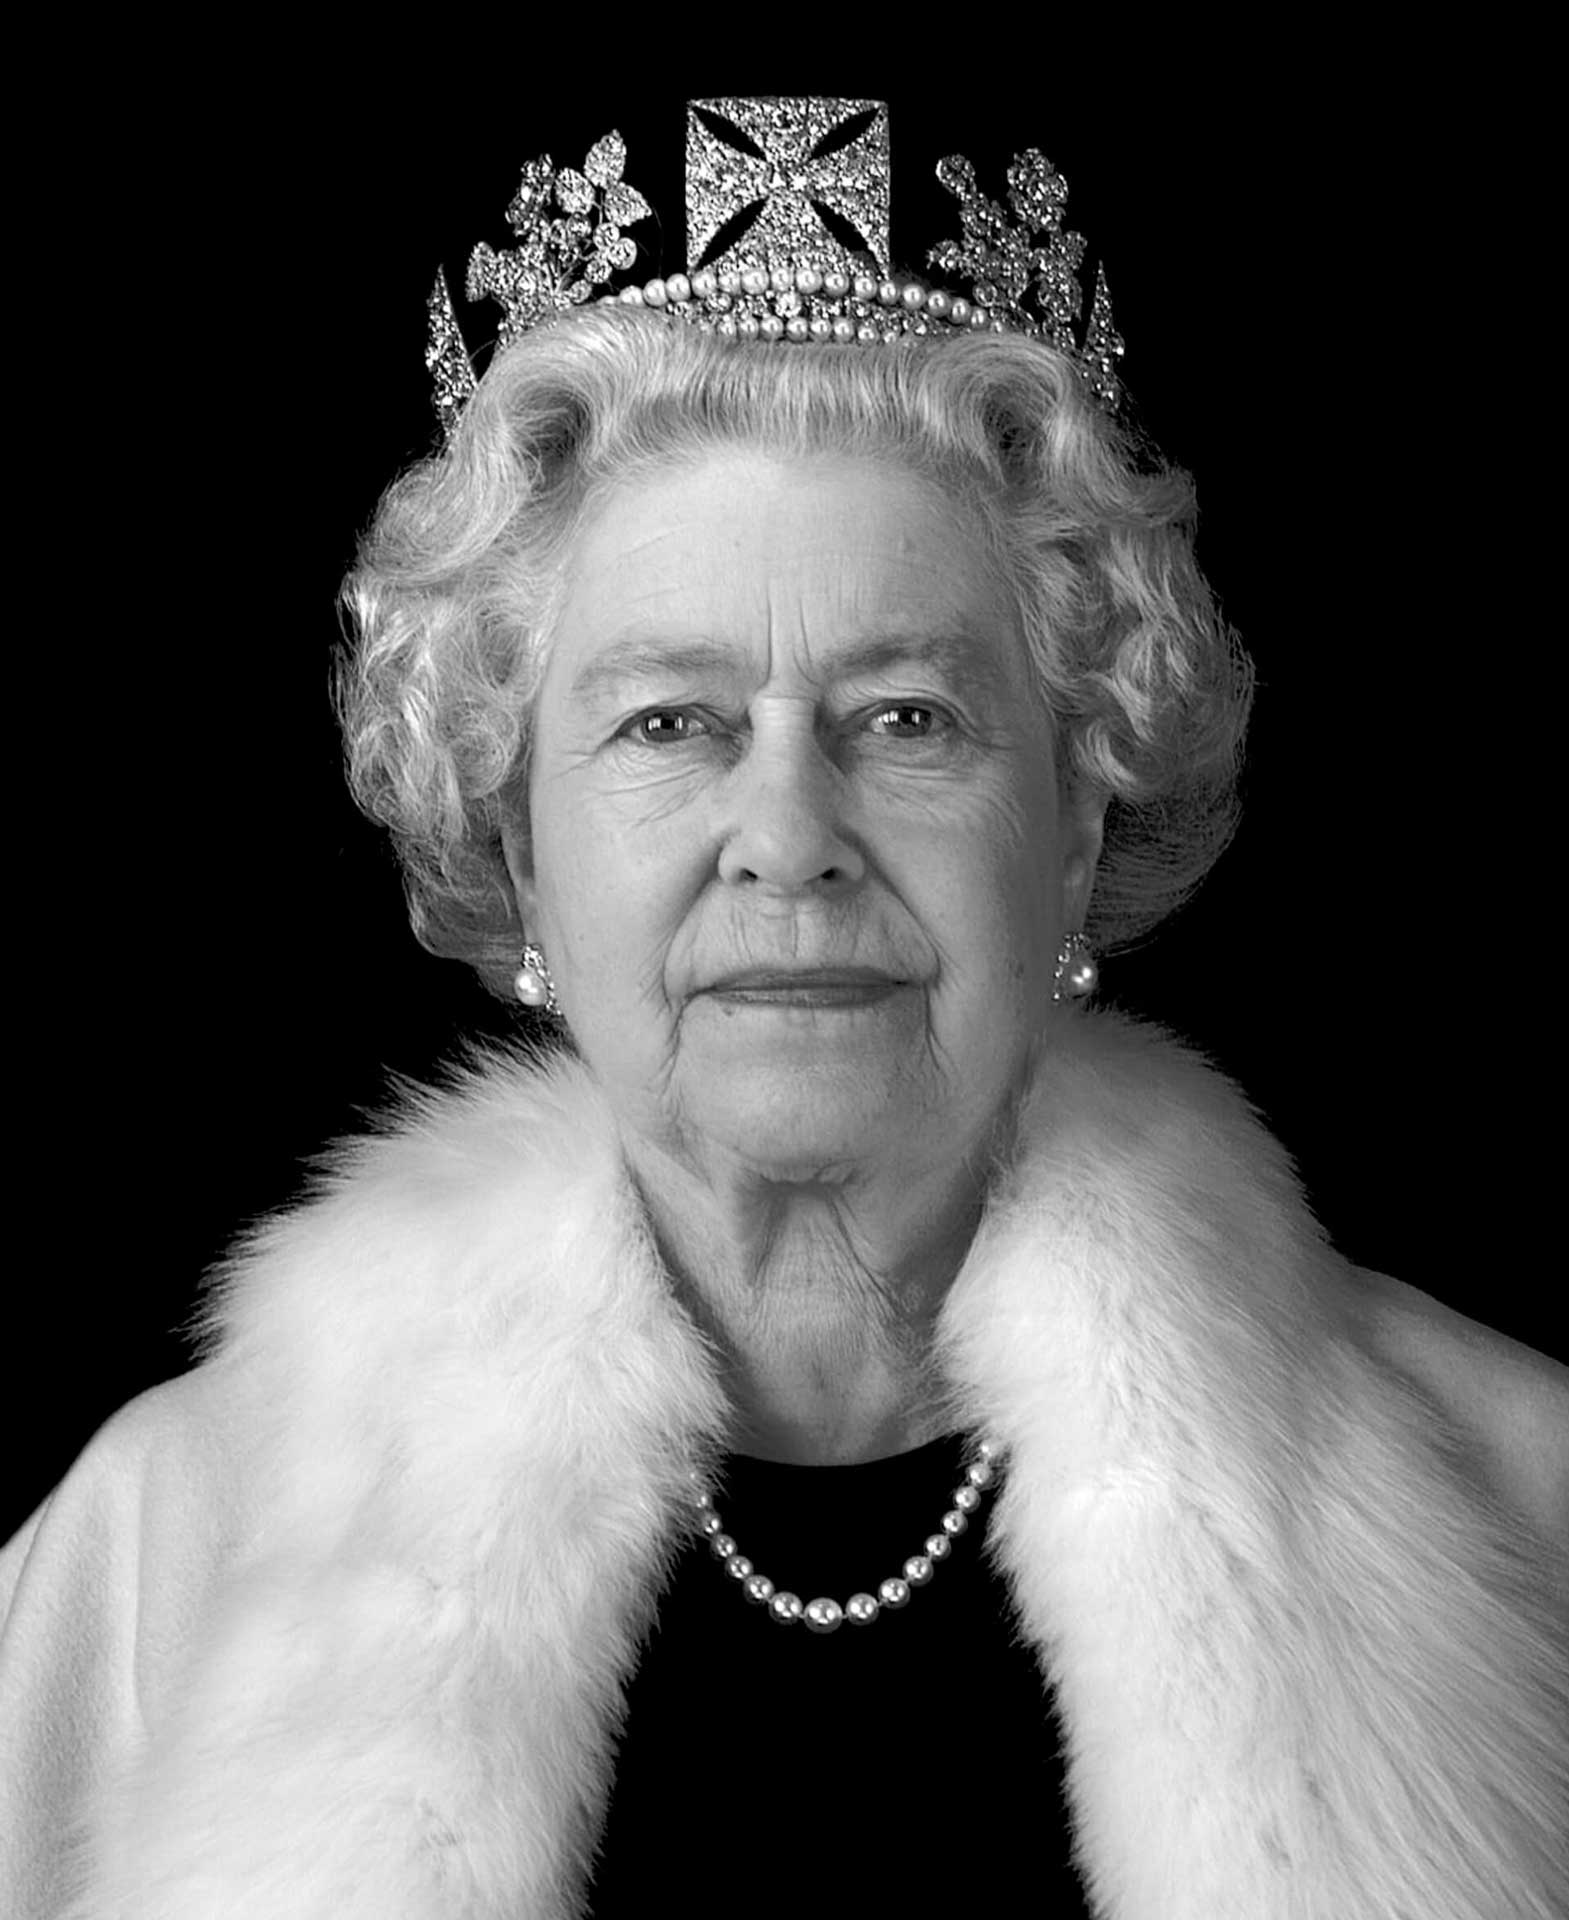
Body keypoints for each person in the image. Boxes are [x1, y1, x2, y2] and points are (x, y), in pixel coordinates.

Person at [2, 97, 1566, 1920]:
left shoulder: (1523, 1503)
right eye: (669, 722)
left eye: (906, 717)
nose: (788, 841)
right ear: (511, 838)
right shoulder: (161, 1551)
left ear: (1073, 825)